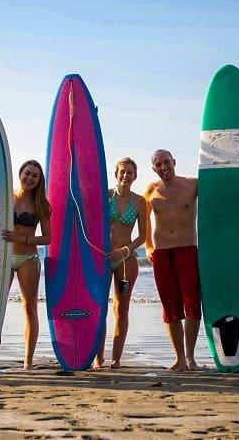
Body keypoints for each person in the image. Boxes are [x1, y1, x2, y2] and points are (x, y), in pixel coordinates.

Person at [143, 149, 201, 371]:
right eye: (158, 164)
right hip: (162, 253)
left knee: (192, 304)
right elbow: (143, 218)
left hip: (187, 249)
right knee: (170, 307)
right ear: (154, 168)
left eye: (166, 162)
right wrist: (148, 245)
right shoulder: (151, 190)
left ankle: (190, 358)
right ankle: (179, 359)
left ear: (174, 162)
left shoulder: (193, 185)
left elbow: (218, 194)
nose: (163, 167)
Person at [0, 160, 52, 370]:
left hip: (28, 259)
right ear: (20, 174)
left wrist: (22, 238)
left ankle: (28, 361)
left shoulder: (41, 204)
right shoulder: (6, 198)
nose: (30, 178)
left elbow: (48, 238)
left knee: (29, 308)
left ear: (39, 180)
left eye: (35, 176)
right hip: (4, 258)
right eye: (27, 173)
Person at [93, 157, 146, 369]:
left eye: (130, 172)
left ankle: (116, 359)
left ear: (135, 176)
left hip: (126, 262)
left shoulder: (140, 202)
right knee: (100, 309)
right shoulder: (105, 196)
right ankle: (98, 358)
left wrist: (126, 250)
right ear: (116, 174)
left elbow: (143, 236)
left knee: (121, 310)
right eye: (122, 172)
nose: (126, 176)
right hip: (103, 259)